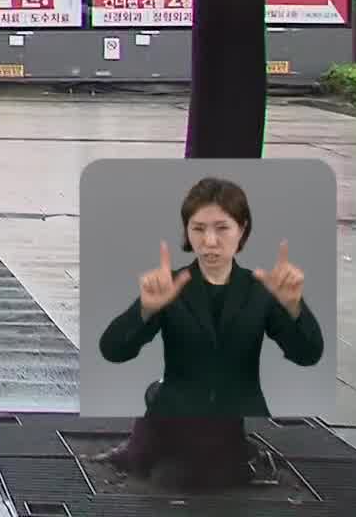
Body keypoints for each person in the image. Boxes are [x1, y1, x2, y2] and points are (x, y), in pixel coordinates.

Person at [95, 177, 323, 491]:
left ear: (242, 229)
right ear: (187, 231)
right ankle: (141, 450)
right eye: (199, 228)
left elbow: (308, 353)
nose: (210, 241)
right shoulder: (173, 285)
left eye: (222, 228)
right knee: (168, 467)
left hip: (228, 426)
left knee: (192, 474)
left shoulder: (260, 291)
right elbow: (112, 349)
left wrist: (296, 308)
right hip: (176, 419)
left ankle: (143, 450)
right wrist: (144, 311)